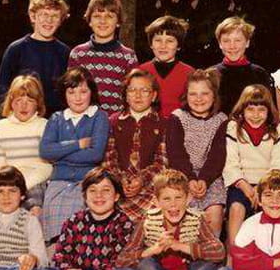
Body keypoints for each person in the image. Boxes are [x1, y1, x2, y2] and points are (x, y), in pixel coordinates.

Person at [117, 169, 226, 270]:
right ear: (156, 202)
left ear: (188, 199)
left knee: (207, 265)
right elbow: (121, 260)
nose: (173, 205)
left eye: (178, 198)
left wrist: (180, 246)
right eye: (166, 199)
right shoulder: (148, 220)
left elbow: (219, 251)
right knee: (145, 266)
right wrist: (151, 250)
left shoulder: (196, 219)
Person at [35, 168, 139, 270]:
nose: (99, 195)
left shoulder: (124, 224)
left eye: (106, 190)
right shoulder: (74, 221)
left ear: (116, 196)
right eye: (93, 190)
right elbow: (60, 257)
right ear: (84, 196)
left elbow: (118, 262)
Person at [40, 67, 110, 243]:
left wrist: (59, 154)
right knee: (52, 210)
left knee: (79, 215)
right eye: (71, 92)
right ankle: (56, 252)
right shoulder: (56, 118)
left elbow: (95, 154)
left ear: (91, 92)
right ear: (64, 94)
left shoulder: (99, 117)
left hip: (86, 180)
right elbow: (45, 151)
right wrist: (77, 144)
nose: (77, 98)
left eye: (83, 92)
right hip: (59, 180)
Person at [223, 84, 280, 247]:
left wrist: (261, 188)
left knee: (272, 208)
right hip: (241, 183)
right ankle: (234, 252)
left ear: (269, 111)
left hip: (269, 184)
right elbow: (230, 162)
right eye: (250, 109)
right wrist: (244, 185)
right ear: (242, 110)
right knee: (237, 208)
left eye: (261, 110)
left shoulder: (278, 129)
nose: (255, 115)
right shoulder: (234, 128)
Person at [0, 75, 51, 215]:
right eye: (18, 101)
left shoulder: (45, 126)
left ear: (38, 103)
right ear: (11, 102)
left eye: (30, 101)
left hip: (35, 181)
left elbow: (47, 166)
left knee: (35, 209)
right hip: (7, 181)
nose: (23, 106)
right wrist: (7, 184)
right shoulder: (0, 127)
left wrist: (22, 186)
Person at [167, 69, 229, 237]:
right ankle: (184, 249)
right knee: (183, 214)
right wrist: (190, 178)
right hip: (181, 174)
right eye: (193, 94)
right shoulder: (177, 118)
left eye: (204, 93)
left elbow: (218, 155)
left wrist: (204, 179)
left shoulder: (222, 120)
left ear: (214, 96)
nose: (198, 99)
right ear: (186, 96)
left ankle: (211, 250)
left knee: (214, 213)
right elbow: (176, 154)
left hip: (211, 177)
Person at [103, 68, 167, 223]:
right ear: (126, 95)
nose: (138, 95)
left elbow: (162, 162)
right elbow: (109, 159)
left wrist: (142, 180)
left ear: (154, 95)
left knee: (153, 218)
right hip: (119, 186)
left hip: (150, 187)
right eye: (132, 90)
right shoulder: (113, 122)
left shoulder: (163, 124)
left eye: (144, 90)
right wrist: (120, 179)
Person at [0, 0, 70, 115]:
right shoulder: (16, 49)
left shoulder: (65, 52)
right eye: (44, 14)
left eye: (55, 16)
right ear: (33, 16)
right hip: (23, 119)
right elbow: (3, 89)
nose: (49, 20)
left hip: (55, 120)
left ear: (60, 21)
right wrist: (11, 116)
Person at [68, 0, 138, 114]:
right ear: (89, 21)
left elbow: (133, 94)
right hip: (84, 120)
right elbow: (71, 91)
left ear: (118, 22)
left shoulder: (128, 56)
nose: (103, 21)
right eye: (97, 16)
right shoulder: (78, 54)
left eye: (109, 16)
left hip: (116, 121)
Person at [210, 16, 275, 116]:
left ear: (247, 42)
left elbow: (269, 110)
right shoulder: (211, 74)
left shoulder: (260, 74)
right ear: (220, 44)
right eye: (226, 41)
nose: (232, 46)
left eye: (238, 40)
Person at [137, 15, 194, 119]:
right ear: (151, 44)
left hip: (179, 125)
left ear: (178, 45)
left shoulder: (189, 73)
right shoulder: (141, 71)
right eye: (158, 40)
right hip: (148, 125)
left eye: (170, 41)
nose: (163, 46)